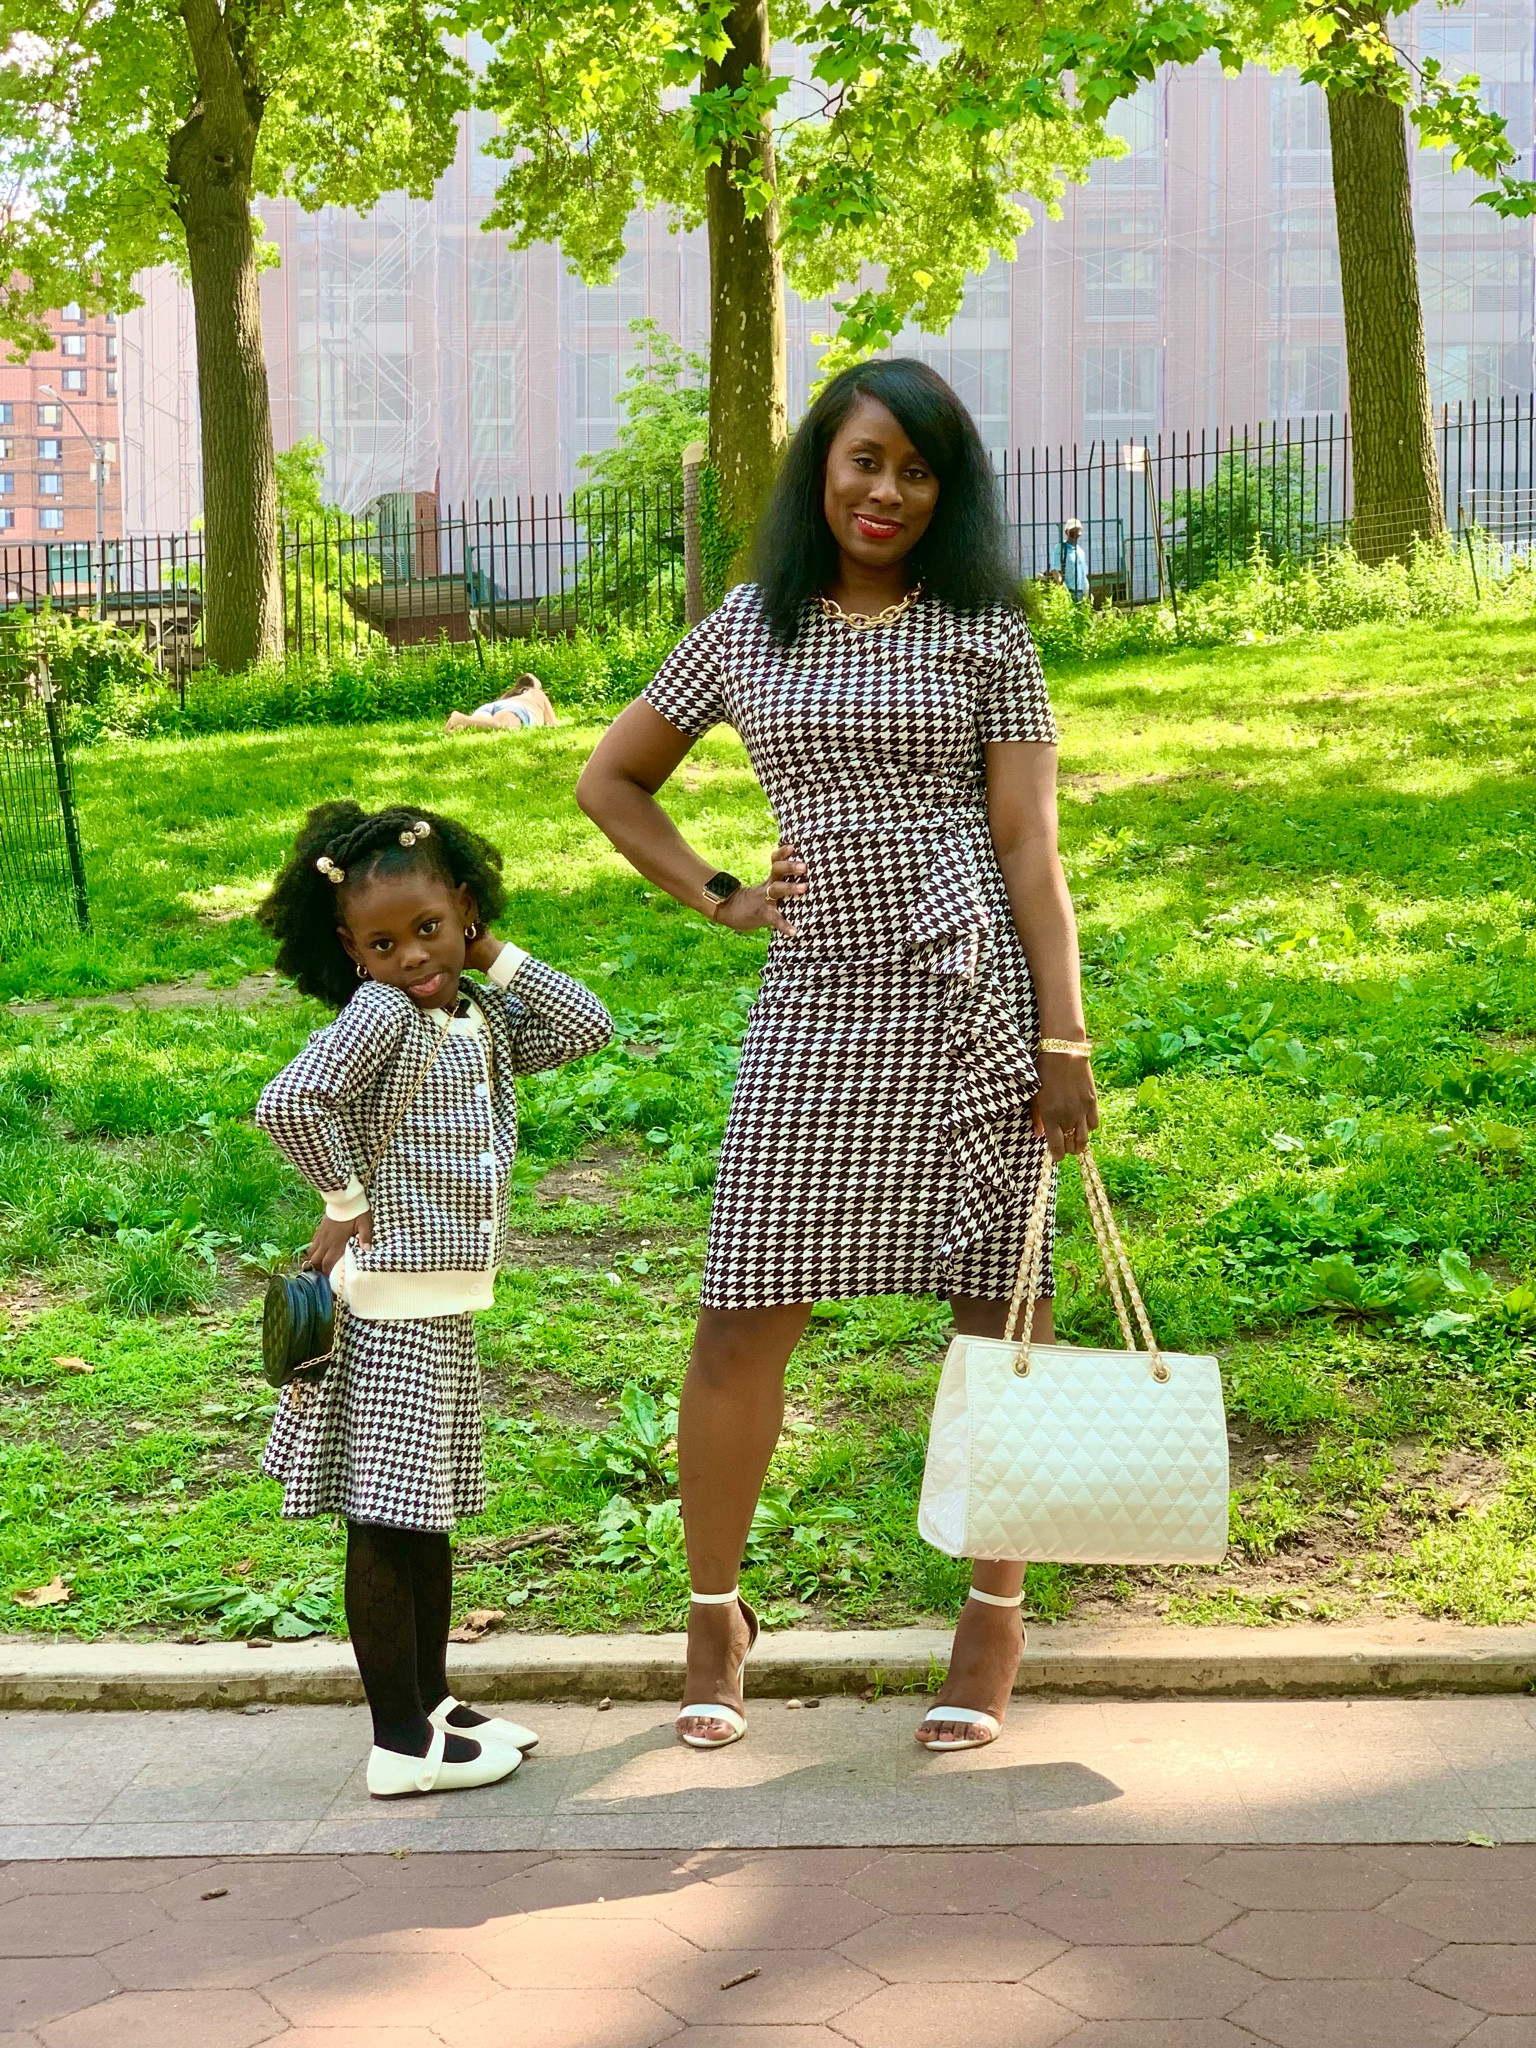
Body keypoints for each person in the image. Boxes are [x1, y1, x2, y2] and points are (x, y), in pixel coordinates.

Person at [577, 358, 1098, 1755]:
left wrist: (1063, 1033)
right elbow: (610, 780)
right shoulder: (748, 625)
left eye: (918, 471)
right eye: (868, 460)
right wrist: (721, 894)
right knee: (741, 1310)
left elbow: (1030, 847)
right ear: (823, 463)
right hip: (814, 998)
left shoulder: (987, 633)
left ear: (947, 492)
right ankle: (714, 1615)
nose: (888, 491)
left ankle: (994, 1614)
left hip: (967, 994)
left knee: (999, 1309)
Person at [253, 801, 611, 1798]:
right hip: (391, 1301)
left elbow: (586, 1024)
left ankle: (436, 1701)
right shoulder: (382, 1014)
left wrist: (486, 949)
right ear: (350, 950)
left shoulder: (472, 1011)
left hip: (438, 1298)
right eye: (382, 944)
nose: (411, 956)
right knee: (386, 1519)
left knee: (424, 1515)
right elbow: (288, 1100)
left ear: (462, 906)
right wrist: (345, 1200)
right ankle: (399, 1740)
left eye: (430, 928)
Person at [445, 673, 559, 734]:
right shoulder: (537, 693)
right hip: (517, 709)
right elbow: (553, 723)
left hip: (491, 707)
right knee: (500, 725)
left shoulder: (509, 694)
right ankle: (461, 719)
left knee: (480, 726)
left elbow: (498, 706)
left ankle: (459, 726)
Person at [1058, 519, 1090, 603]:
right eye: (1073, 530)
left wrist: (1087, 590)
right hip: (1068, 590)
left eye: (1077, 529)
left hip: (1080, 591)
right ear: (1067, 532)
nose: (1076, 532)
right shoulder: (1061, 548)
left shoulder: (1081, 551)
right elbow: (1055, 569)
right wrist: (1063, 588)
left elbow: (1084, 574)